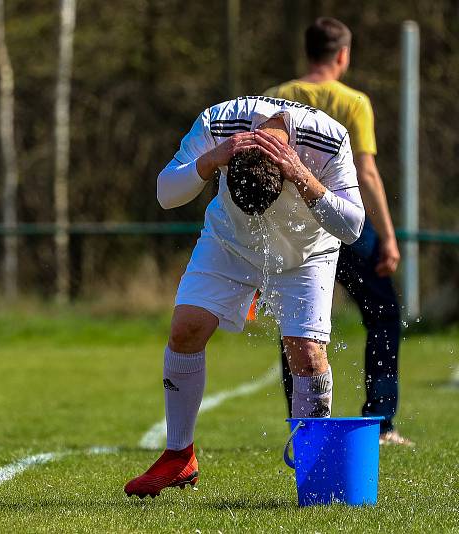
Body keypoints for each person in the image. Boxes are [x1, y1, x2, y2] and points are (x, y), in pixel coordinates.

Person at [124, 95, 364, 498]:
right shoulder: (217, 122)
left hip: (308, 252)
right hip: (229, 242)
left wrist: (301, 175)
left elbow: (352, 226)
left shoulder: (330, 138)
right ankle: (179, 456)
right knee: (186, 329)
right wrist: (210, 160)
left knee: (306, 353)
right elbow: (166, 193)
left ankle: (315, 472)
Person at [265, 17, 412, 446]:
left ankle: (302, 422)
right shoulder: (355, 102)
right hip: (344, 225)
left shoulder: (277, 97)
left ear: (307, 53)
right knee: (384, 314)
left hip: (292, 229)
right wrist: (387, 235)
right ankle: (382, 421)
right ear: (343, 55)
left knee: (298, 323)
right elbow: (366, 171)